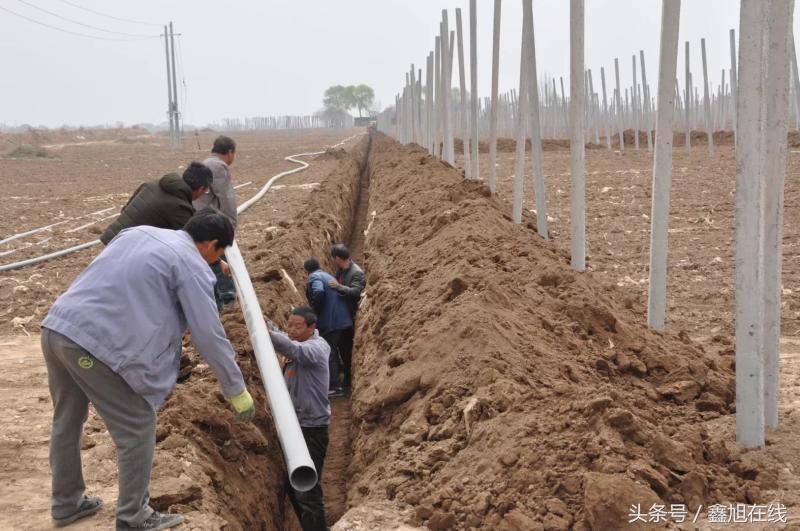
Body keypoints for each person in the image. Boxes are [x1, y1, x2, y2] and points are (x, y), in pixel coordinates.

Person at [41, 210, 255, 530]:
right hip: (91, 345)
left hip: (57, 328)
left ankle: (66, 503)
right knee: (138, 425)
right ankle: (133, 516)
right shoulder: (192, 265)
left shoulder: (139, 232)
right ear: (212, 245)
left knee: (67, 419)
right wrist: (235, 388)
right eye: (220, 252)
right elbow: (208, 334)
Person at [266, 306, 330, 531]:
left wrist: (268, 335)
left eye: (297, 326)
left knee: (307, 491)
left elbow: (294, 349)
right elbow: (288, 340)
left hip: (312, 429)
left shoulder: (317, 349)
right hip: (294, 426)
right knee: (295, 488)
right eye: (289, 325)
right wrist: (265, 323)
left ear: (312, 327)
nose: (291, 330)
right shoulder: (299, 343)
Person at [99, 162, 213, 245]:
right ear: (201, 188)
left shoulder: (153, 183)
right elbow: (191, 241)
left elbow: (125, 209)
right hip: (124, 247)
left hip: (113, 237)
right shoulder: (180, 206)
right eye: (206, 190)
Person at [194, 135, 238, 309]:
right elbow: (227, 198)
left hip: (199, 219)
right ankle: (227, 300)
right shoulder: (218, 166)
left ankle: (215, 299)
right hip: (210, 223)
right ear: (229, 152)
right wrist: (230, 226)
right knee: (219, 258)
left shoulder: (205, 163)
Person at [303, 257, 352, 397]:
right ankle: (347, 381)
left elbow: (318, 292)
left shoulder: (314, 277)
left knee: (329, 352)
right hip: (343, 319)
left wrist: (314, 310)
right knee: (343, 350)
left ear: (306, 271)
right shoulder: (327, 275)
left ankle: (334, 386)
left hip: (331, 321)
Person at [327, 244, 365, 394]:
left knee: (347, 349)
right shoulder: (342, 270)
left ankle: (348, 382)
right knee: (342, 348)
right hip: (342, 314)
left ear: (337, 258)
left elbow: (356, 292)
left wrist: (338, 287)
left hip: (350, 315)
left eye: (333, 257)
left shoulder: (356, 273)